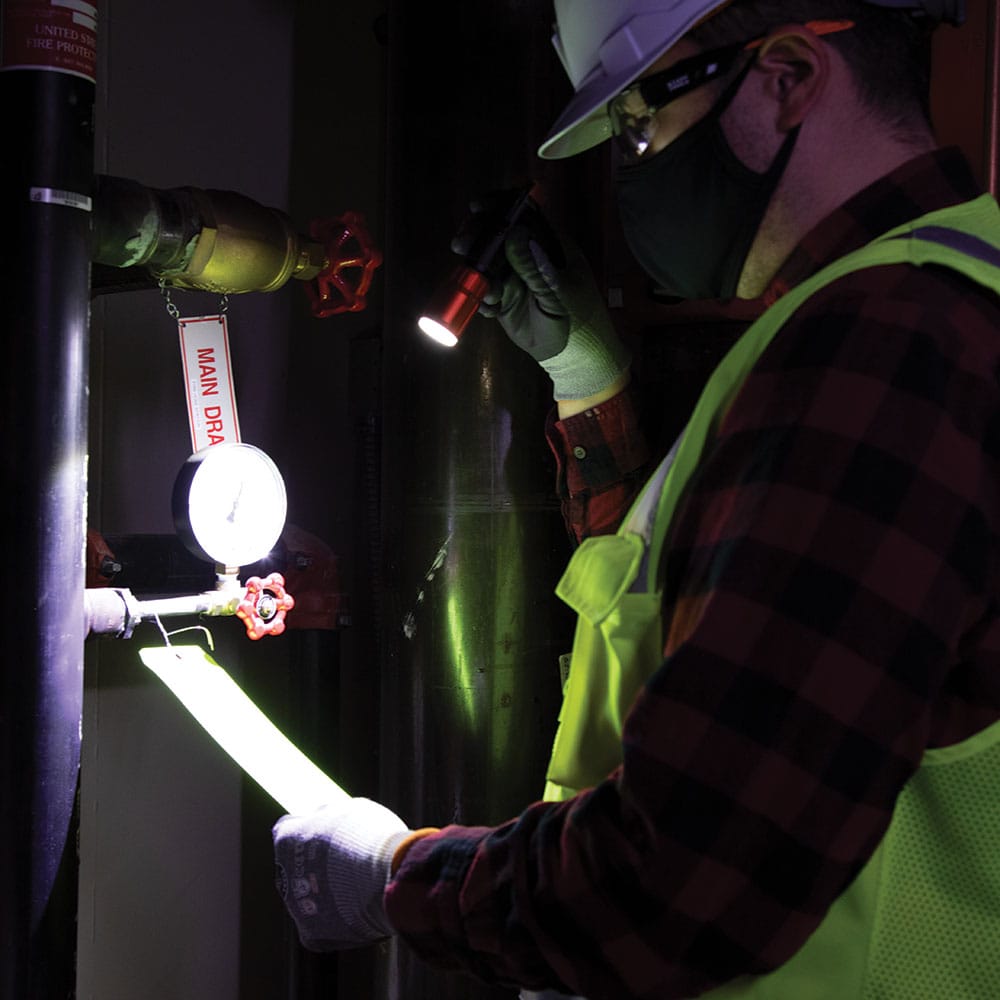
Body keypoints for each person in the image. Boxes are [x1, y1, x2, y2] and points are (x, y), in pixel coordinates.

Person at [272, 1, 1000, 997]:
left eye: (640, 128)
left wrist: (395, 874)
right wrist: (589, 385)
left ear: (785, 78)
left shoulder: (882, 345)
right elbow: (706, 617)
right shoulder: (930, 294)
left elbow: (679, 882)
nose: (634, 173)